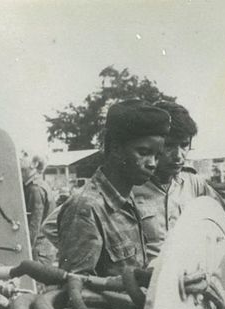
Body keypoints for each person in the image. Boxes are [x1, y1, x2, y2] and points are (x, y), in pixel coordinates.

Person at [55, 99, 170, 276]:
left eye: (157, 156)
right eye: (143, 153)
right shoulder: (86, 208)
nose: (152, 164)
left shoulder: (126, 199)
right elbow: (74, 285)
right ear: (116, 148)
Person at [133, 100, 225, 259]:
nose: (178, 156)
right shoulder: (132, 186)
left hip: (192, 271)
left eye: (184, 145)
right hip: (148, 273)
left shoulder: (194, 183)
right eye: (169, 145)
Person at [19, 152, 56, 265]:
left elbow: (34, 225)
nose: (20, 157)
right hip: (42, 249)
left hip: (38, 251)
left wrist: (24, 252)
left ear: (34, 164)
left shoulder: (35, 188)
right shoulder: (35, 185)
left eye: (25, 155)